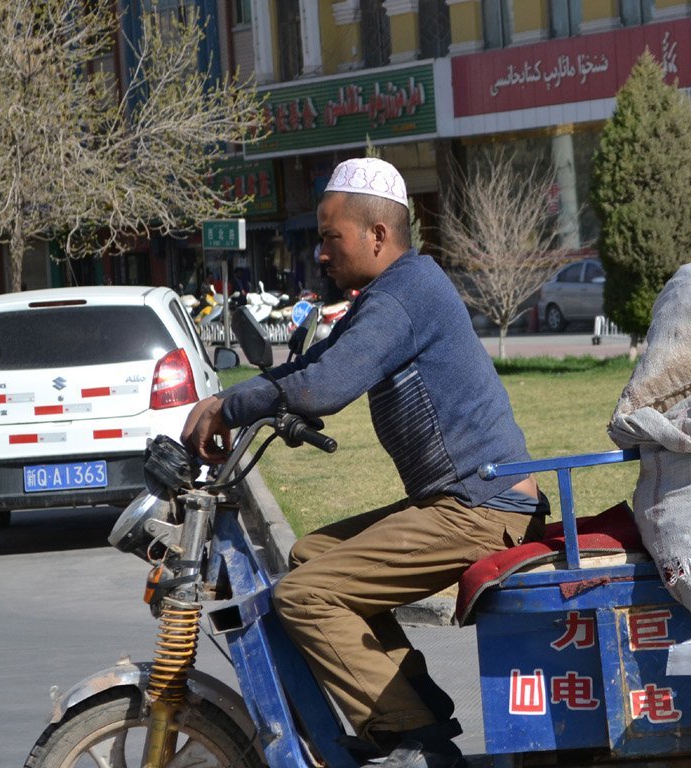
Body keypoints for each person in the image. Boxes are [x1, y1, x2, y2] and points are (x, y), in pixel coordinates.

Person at [182, 157, 546, 768]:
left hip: (481, 508)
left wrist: (233, 406)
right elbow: (316, 363)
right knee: (309, 556)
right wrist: (233, 401)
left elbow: (327, 384)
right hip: (462, 499)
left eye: (330, 239)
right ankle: (417, 710)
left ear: (377, 235)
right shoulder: (391, 292)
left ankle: (410, 739)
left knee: (305, 596)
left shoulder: (407, 294)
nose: (320, 254)